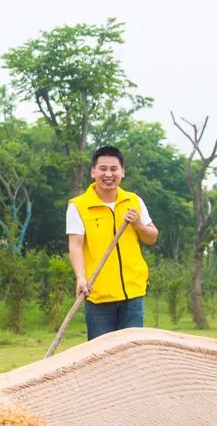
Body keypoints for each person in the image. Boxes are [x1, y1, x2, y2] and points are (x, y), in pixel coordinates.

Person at [66, 146, 159, 341]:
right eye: (103, 169)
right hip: (98, 294)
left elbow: (152, 237)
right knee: (100, 356)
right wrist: (81, 278)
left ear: (122, 172)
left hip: (133, 294)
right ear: (93, 172)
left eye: (114, 169)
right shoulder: (79, 206)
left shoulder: (134, 201)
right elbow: (75, 245)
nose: (108, 174)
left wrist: (138, 225)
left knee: (132, 354)